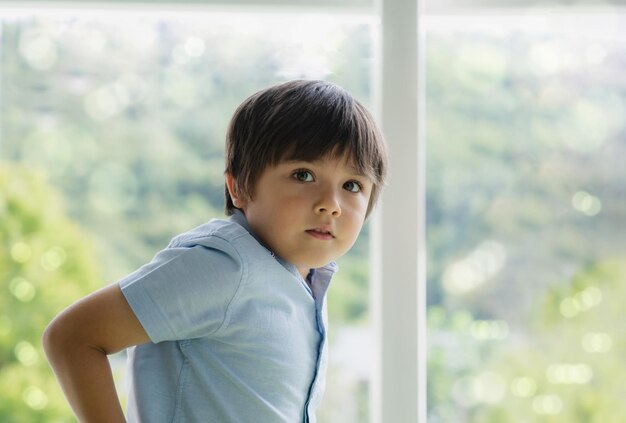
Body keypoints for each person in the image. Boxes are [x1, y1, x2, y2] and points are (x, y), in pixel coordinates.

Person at [43, 79, 388, 423]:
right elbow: (72, 337)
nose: (331, 204)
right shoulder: (226, 264)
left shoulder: (306, 281)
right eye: (303, 174)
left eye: (352, 185)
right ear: (238, 186)